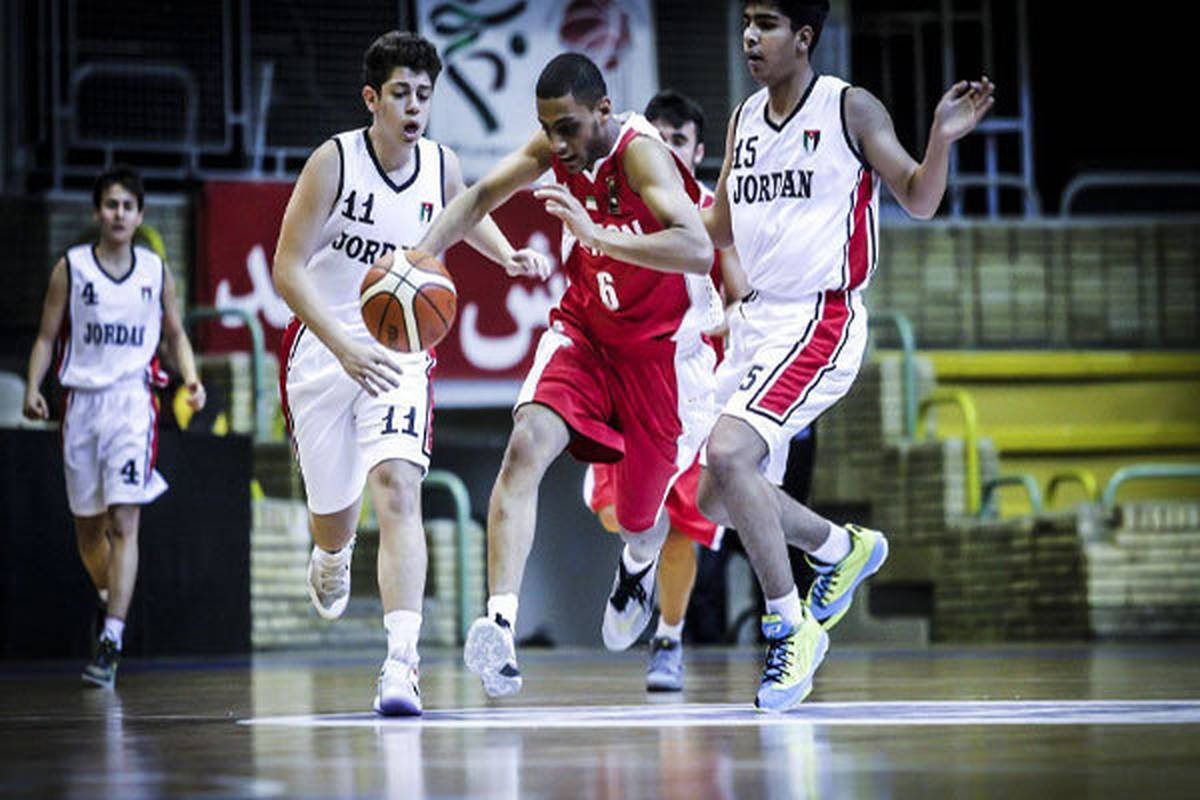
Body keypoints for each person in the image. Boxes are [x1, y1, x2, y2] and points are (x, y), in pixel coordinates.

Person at [697, 0, 995, 711]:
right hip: (757, 321)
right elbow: (717, 227)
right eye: (746, 22)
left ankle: (790, 627)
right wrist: (634, 215)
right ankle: (839, 548)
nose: (750, 36)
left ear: (804, 37)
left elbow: (919, 198)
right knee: (715, 497)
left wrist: (940, 139)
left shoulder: (849, 108)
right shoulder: (743, 120)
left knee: (730, 455)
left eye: (767, 24)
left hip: (820, 318)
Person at [412, 52, 719, 698]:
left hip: (659, 356)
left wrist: (598, 236)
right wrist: (418, 257)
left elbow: (696, 247)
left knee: (640, 522)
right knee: (525, 445)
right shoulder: (558, 146)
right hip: (584, 334)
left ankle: (636, 566)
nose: (556, 144)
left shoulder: (642, 156)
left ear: (603, 112)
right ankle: (500, 628)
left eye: (568, 128)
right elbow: (479, 197)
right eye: (547, 128)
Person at [271, 31, 548, 717]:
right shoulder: (334, 161)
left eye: (424, 94)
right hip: (325, 350)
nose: (415, 106)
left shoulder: (440, 163)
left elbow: (466, 212)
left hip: (399, 355)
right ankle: (331, 554)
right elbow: (286, 268)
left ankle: (401, 665)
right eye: (401, 93)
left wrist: (507, 255)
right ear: (372, 98)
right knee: (334, 521)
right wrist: (341, 345)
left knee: (398, 490)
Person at [581, 89, 749, 692]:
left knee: (683, 526)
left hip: (691, 390)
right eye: (659, 138)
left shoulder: (707, 214)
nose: (668, 149)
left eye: (680, 141)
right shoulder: (614, 201)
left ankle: (668, 640)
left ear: (697, 153)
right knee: (618, 515)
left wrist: (725, 320)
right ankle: (637, 566)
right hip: (627, 381)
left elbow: (739, 293)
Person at [23, 165, 206, 688]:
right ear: (97, 211)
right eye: (111, 205)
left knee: (125, 521)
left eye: (128, 206)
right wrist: (33, 386)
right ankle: (111, 598)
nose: (119, 214)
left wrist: (190, 377)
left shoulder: (155, 271)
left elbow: (176, 333)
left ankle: (111, 639)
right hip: (82, 405)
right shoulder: (72, 268)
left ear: (140, 215)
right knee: (89, 533)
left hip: (132, 404)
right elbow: (45, 336)